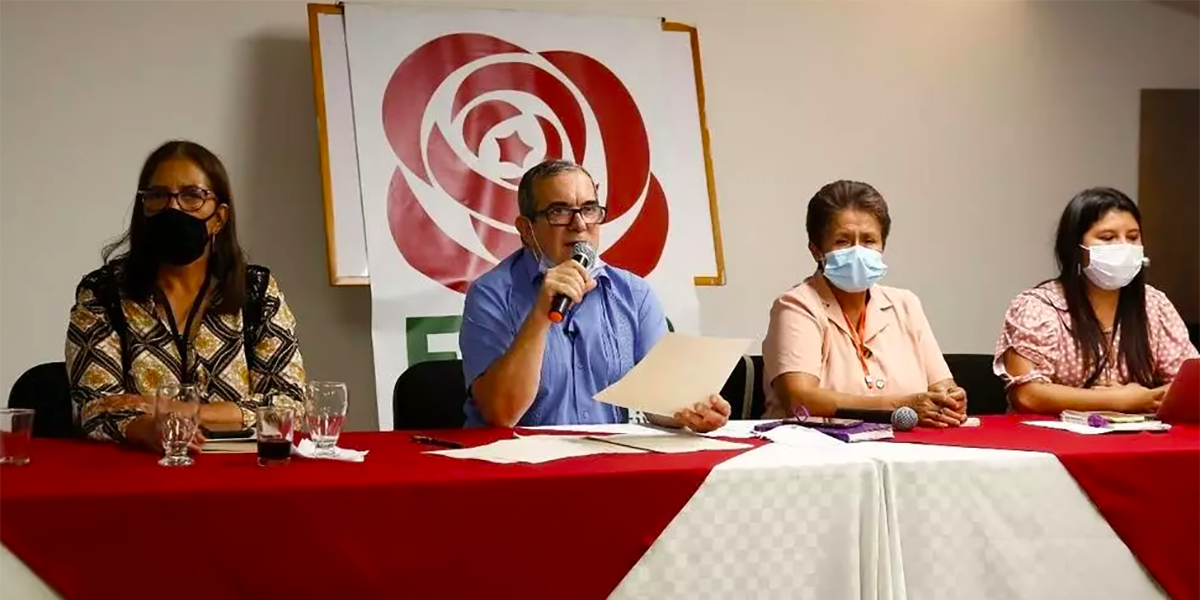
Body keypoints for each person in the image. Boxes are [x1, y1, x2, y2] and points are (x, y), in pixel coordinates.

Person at [65, 140, 308, 448]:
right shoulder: (103, 294)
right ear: (144, 209)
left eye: (192, 196)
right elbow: (95, 407)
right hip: (136, 473)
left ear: (219, 217)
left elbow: (291, 406)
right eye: (158, 196)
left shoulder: (256, 291)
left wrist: (181, 410)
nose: (173, 208)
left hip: (239, 473)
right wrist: (148, 430)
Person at [459, 159, 730, 432]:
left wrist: (692, 412)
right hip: (515, 464)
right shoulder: (490, 294)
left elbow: (659, 402)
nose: (579, 224)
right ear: (527, 229)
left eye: (589, 209)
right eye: (559, 211)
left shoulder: (634, 294)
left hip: (604, 461)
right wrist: (540, 316)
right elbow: (501, 414)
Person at [762, 180, 967, 427]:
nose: (858, 251)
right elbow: (800, 400)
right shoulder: (796, 306)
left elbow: (942, 385)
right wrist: (900, 406)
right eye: (842, 241)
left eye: (869, 240)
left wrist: (948, 399)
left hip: (907, 451)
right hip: (816, 452)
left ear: (883, 246)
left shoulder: (905, 304)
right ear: (816, 250)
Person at [994, 187, 1198, 414]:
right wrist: (1117, 400)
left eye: (1132, 237)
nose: (1124, 247)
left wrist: (1145, 397)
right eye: (1108, 238)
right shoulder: (1039, 307)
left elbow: (1189, 385)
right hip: (1052, 442)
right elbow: (1027, 394)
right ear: (1076, 248)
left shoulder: (1155, 305)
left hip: (1136, 439)